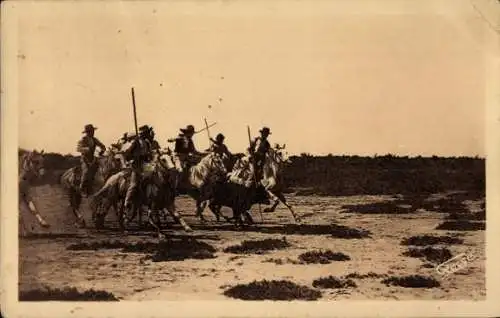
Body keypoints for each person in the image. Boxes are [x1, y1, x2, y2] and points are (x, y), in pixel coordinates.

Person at [122, 125, 154, 210]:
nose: (147, 134)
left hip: (146, 164)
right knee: (134, 184)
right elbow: (128, 152)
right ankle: (127, 201)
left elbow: (149, 153)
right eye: (146, 133)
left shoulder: (147, 142)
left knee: (154, 177)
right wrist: (135, 156)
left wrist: (150, 156)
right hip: (136, 165)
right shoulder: (135, 142)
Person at [76, 124, 106, 196]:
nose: (93, 132)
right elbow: (78, 148)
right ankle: (82, 188)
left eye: (93, 131)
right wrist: (86, 149)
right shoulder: (83, 139)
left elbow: (102, 146)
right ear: (87, 132)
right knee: (86, 171)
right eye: (91, 131)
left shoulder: (95, 139)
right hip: (85, 159)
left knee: (102, 168)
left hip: (93, 158)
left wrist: (102, 150)